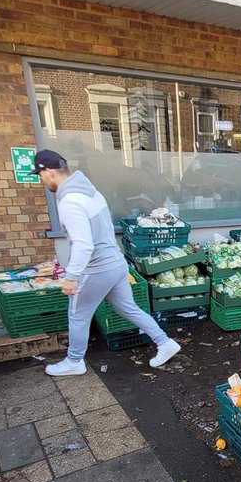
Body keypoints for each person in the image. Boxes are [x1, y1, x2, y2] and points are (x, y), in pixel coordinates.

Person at [31, 150, 180, 375]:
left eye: (40, 176)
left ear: (48, 172)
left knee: (77, 314)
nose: (40, 181)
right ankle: (164, 342)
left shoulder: (69, 201)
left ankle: (74, 362)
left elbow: (83, 244)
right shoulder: (91, 192)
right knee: (127, 307)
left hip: (96, 269)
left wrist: (71, 277)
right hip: (116, 263)